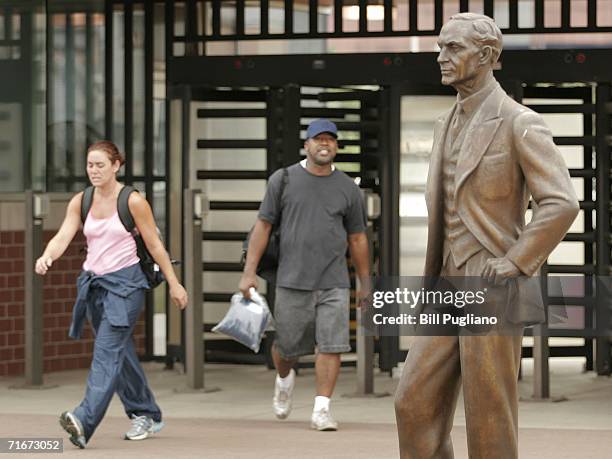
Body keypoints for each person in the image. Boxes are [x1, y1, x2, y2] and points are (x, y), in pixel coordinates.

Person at [394, 13, 579, 458]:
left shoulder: (519, 122)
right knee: (413, 401)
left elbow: (561, 202)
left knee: (488, 410)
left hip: (492, 284)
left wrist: (516, 260)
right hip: (445, 282)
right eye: (440, 47)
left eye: (452, 48)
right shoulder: (444, 125)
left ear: (488, 55)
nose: (441, 57)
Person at [35, 140, 188, 449]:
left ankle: (83, 419)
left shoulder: (132, 201)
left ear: (116, 166)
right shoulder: (82, 200)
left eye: (100, 165)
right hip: (94, 286)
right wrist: (47, 255)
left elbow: (155, 245)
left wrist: (174, 282)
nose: (94, 170)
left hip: (127, 286)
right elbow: (64, 233)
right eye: (90, 165)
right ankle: (147, 413)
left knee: (106, 351)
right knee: (121, 353)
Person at [239, 119, 371, 431]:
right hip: (291, 280)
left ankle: (322, 409)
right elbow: (263, 227)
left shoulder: (348, 188)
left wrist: (366, 283)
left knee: (331, 345)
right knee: (286, 348)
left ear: (336, 146)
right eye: (318, 140)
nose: (324, 145)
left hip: (334, 282)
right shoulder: (283, 180)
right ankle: (284, 378)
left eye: (330, 140)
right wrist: (248, 274)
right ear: (307, 145)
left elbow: (358, 238)